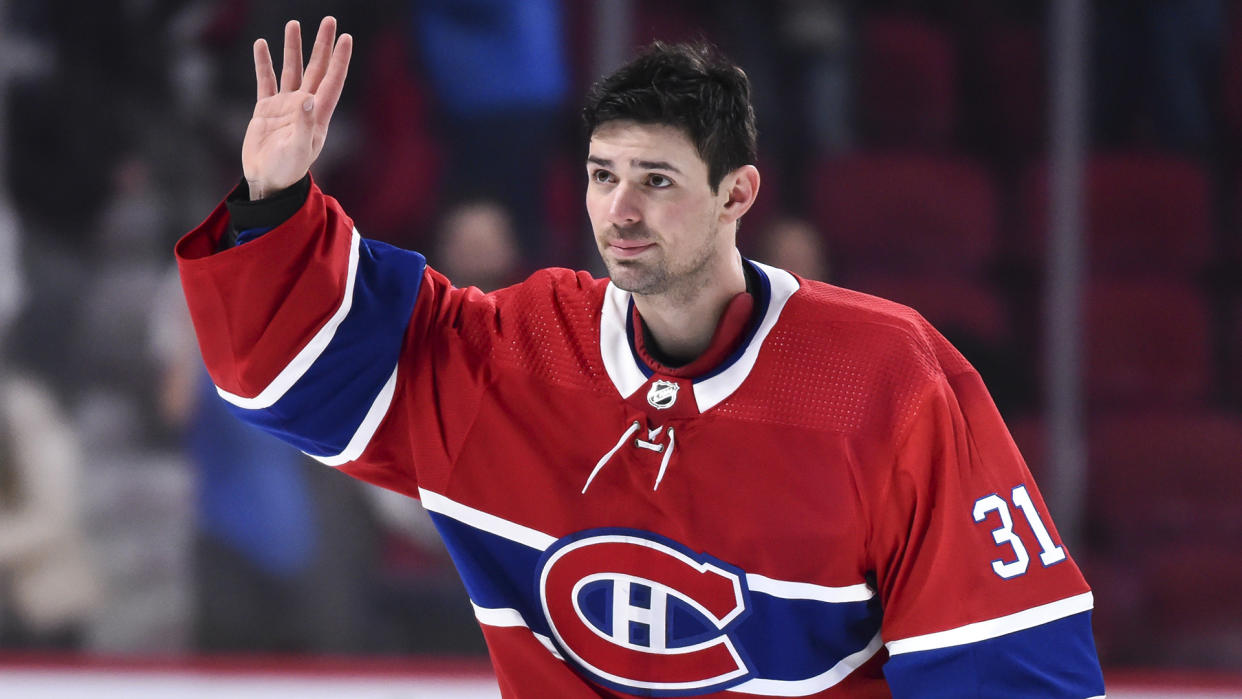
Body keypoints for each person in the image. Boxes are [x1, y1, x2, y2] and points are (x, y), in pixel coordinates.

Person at [175, 17, 1106, 697]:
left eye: (656, 181)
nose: (620, 212)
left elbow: (1003, 660)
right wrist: (273, 197)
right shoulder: (516, 354)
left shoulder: (884, 377)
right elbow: (292, 373)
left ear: (737, 192)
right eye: (601, 175)